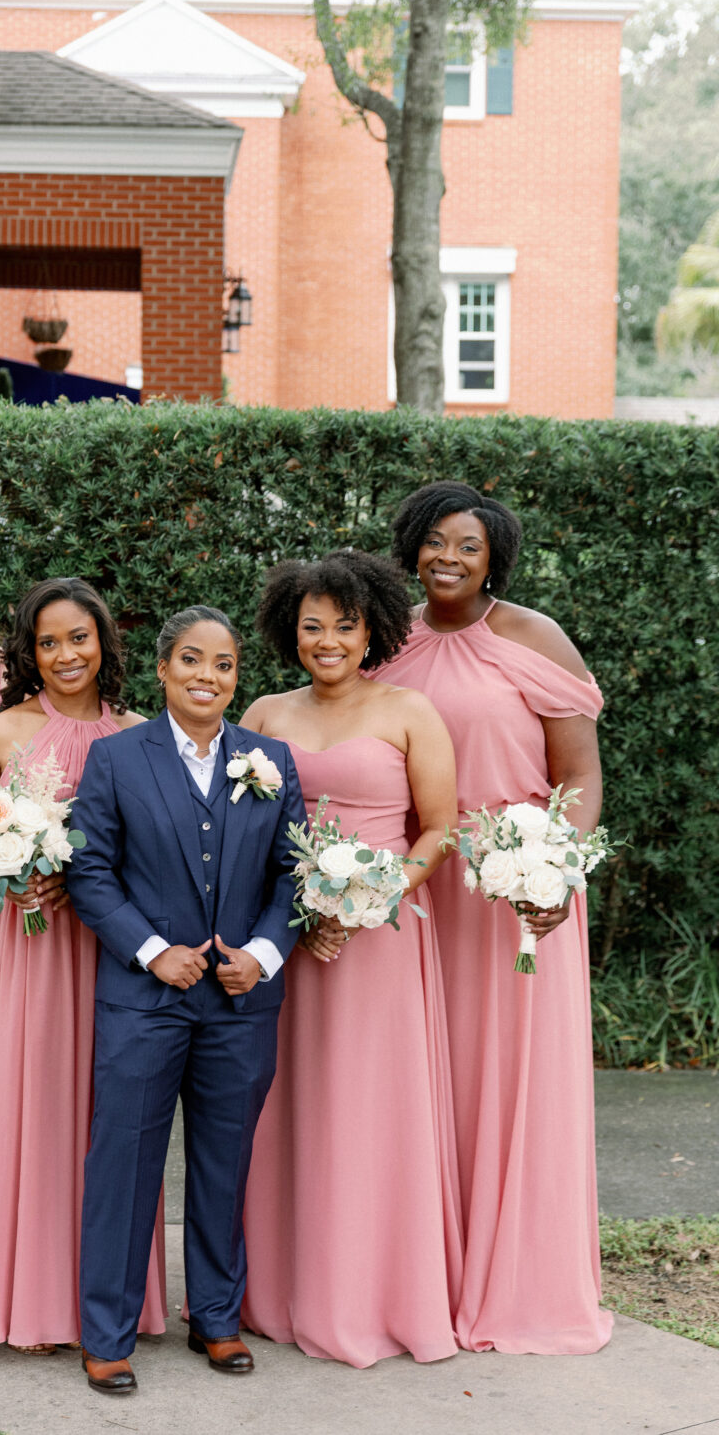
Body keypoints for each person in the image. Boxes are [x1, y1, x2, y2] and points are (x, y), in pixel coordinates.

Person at [375, 480, 611, 1354]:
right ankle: (420, 1277)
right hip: (415, 891)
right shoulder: (383, 634)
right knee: (421, 1082)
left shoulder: (530, 635)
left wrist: (558, 869)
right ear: (411, 543)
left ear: (493, 557)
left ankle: (517, 1280)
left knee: (508, 1082)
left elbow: (579, 775)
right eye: (435, 540)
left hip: (518, 898)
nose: (448, 557)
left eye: (468, 546)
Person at [0, 578, 167, 1350]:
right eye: (49, 642)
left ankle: (105, 1296)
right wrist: (13, 865)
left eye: (80, 638)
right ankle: (16, 1296)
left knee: (108, 1114)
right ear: (30, 652)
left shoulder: (141, 733)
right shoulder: (2, 733)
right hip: (22, 947)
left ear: (104, 644)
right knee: (24, 1106)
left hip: (109, 950)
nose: (66, 654)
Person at [66, 606, 305, 1395]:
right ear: (164, 669)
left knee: (224, 1161)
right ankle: (106, 1331)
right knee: (124, 1161)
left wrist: (264, 955)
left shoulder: (270, 760)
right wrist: (151, 950)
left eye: (225, 663)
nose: (209, 675)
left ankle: (217, 1315)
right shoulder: (116, 759)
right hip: (143, 999)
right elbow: (90, 871)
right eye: (192, 660)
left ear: (238, 676)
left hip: (240, 1002)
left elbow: (293, 875)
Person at [239, 549, 463, 1367]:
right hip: (287, 941)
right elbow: (239, 834)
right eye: (312, 626)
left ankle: (377, 1295)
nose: (328, 640)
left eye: (345, 624)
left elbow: (438, 827)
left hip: (382, 941)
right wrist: (302, 908)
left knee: (372, 1108)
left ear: (374, 627)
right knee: (284, 1104)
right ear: (288, 631)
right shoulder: (263, 713)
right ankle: (278, 1290)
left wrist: (372, 895)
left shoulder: (411, 710)